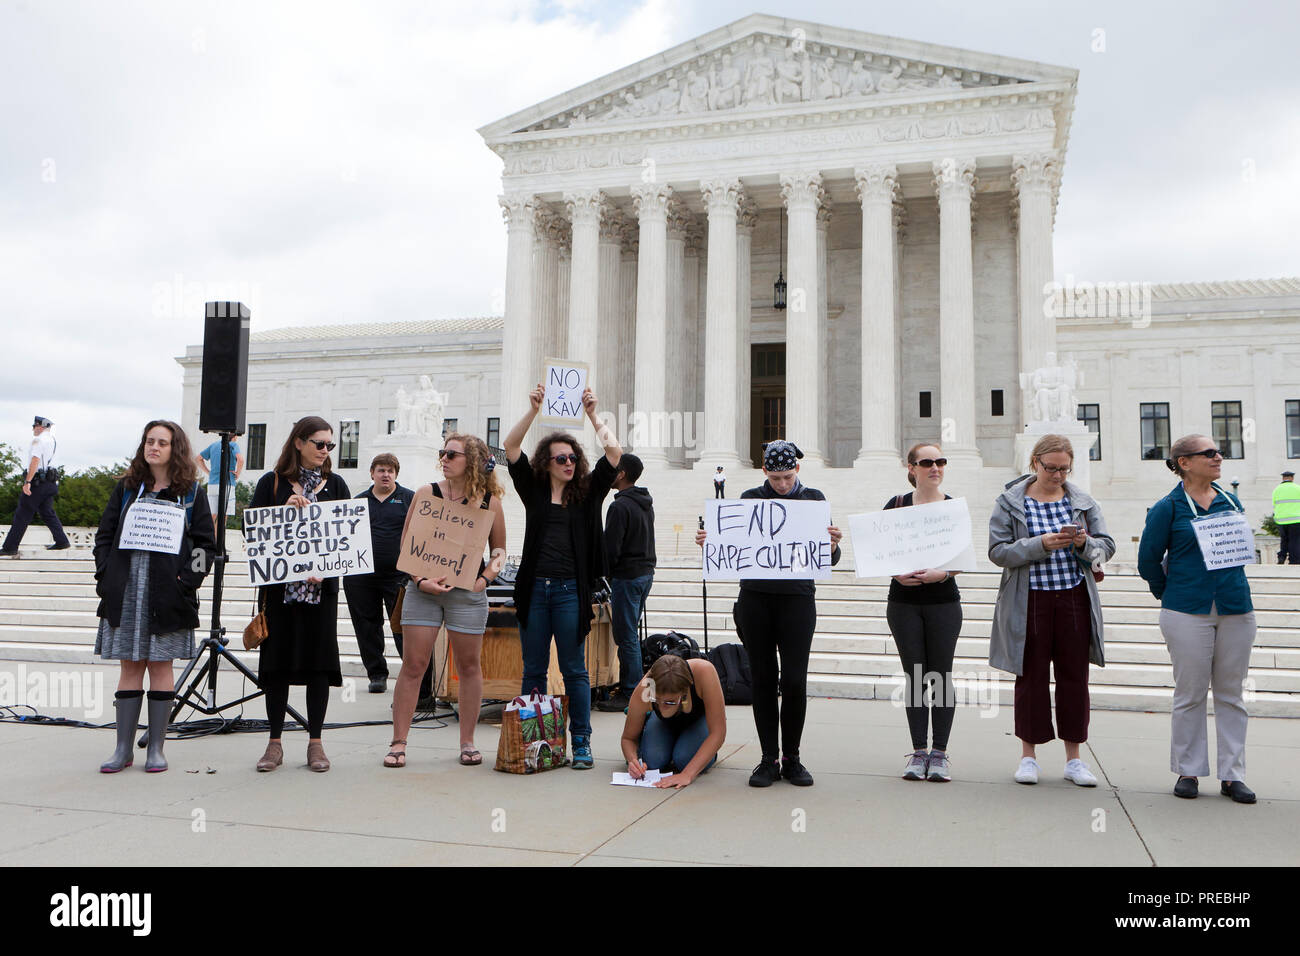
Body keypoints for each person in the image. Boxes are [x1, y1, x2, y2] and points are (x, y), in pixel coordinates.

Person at [696, 440, 842, 787]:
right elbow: (733, 545)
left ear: (798, 470)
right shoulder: (749, 499)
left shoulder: (813, 500)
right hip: (756, 599)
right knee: (762, 679)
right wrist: (711, 542)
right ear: (764, 472)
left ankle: (792, 757)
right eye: (775, 478)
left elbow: (828, 559)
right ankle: (767, 758)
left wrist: (833, 545)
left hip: (797, 601)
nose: (782, 484)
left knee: (793, 681)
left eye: (788, 477)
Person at [504, 384, 621, 770]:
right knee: (534, 668)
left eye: (572, 457)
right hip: (535, 590)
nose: (569, 463)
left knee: (574, 668)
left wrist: (592, 415)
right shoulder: (533, 492)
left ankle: (582, 743)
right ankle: (535, 741)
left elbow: (615, 453)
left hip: (571, 590)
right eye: (561, 459)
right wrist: (533, 411)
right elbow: (510, 447)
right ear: (547, 463)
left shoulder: (587, 494)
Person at [988, 434, 1115, 787]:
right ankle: (1028, 756)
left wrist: (1084, 543)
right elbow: (998, 552)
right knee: (1030, 676)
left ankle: (1074, 759)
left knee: (1075, 677)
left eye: (1064, 469)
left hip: (1073, 596)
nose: (1058, 475)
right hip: (1029, 599)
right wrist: (1039, 544)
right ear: (1035, 463)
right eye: (1051, 468)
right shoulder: (1010, 502)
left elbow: (1107, 548)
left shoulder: (1083, 502)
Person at [1138, 435, 1258, 803]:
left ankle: (1232, 774)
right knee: (1190, 693)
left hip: (1236, 606)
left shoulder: (1229, 500)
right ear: (1184, 462)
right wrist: (1170, 594)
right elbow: (1148, 560)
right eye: (1209, 453)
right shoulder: (1168, 507)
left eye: (1218, 451)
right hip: (1186, 609)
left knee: (1231, 694)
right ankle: (1187, 770)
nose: (1218, 457)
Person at [94, 421, 215, 772]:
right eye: (150, 441)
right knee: (130, 666)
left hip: (168, 595)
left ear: (173, 449)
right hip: (126, 592)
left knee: (161, 666)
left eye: (162, 442)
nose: (154, 447)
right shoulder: (127, 489)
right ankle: (122, 750)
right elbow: (104, 536)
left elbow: (206, 545)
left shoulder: (191, 492)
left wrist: (186, 581)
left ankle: (156, 749)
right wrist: (106, 575)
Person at [386, 434, 506, 768]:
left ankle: (467, 741)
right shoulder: (427, 493)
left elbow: (499, 553)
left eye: (451, 454)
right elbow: (407, 545)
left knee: (469, 667)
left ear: (472, 460)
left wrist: (483, 581)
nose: (444, 458)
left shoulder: (489, 502)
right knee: (413, 666)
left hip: (467, 594)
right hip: (423, 592)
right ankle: (398, 742)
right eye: (442, 453)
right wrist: (420, 579)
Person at [249, 417, 350, 773]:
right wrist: (281, 514)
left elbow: (346, 543)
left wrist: (328, 570)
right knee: (276, 665)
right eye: (319, 444)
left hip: (320, 594)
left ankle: (315, 742)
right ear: (298, 443)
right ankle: (274, 742)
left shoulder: (336, 485)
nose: (325, 451)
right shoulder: (271, 483)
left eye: (329, 445)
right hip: (280, 594)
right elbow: (255, 537)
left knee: (318, 665)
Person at [884, 443, 963, 782]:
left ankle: (940, 753)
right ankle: (918, 752)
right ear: (912, 467)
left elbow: (962, 557)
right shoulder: (896, 505)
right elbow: (881, 550)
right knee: (915, 676)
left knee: (941, 676)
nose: (935, 467)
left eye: (940, 461)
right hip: (903, 602)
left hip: (943, 600)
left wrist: (942, 574)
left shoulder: (952, 507)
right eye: (928, 462)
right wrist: (895, 572)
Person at [342, 454, 415, 694]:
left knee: (403, 627)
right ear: (372, 473)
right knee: (366, 625)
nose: (386, 475)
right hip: (361, 577)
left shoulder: (409, 499)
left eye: (390, 471)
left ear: (396, 474)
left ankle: (414, 677)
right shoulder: (358, 502)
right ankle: (376, 674)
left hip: (399, 576)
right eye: (381, 470)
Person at [595, 454, 656, 713]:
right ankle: (635, 687)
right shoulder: (644, 503)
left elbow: (612, 548)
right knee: (631, 632)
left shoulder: (619, 507)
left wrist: (600, 572)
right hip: (644, 573)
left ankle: (631, 691)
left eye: (612, 469)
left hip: (628, 576)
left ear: (620, 474)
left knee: (626, 635)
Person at [621, 654, 726, 788]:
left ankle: (692, 746)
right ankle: (649, 722)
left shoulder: (705, 673)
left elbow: (718, 733)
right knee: (653, 761)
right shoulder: (645, 689)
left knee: (684, 760)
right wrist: (633, 761)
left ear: (684, 693)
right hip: (662, 723)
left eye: (669, 702)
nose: (661, 707)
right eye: (656, 701)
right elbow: (628, 738)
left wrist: (687, 774)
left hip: (697, 720)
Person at [2, 416, 71, 556]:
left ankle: (10, 547)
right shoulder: (52, 440)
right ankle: (62, 541)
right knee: (47, 512)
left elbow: (35, 461)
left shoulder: (38, 440)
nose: (33, 428)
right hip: (50, 483)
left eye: (35, 426)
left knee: (22, 513)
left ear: (41, 426)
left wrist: (27, 482)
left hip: (38, 483)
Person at [195, 436, 244, 536]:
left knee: (211, 516)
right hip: (227, 484)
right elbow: (241, 459)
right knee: (223, 517)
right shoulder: (233, 445)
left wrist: (208, 472)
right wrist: (238, 473)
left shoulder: (214, 445)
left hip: (212, 484)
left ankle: (209, 542)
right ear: (235, 436)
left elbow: (198, 458)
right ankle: (219, 544)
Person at [1272, 469, 1300, 565]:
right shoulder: (1298, 488)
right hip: (1296, 519)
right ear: (1292, 478)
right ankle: (1294, 560)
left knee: (1284, 539)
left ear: (1283, 478)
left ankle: (1281, 557)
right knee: (1294, 540)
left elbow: (1274, 505)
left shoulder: (1276, 490)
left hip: (1281, 520)